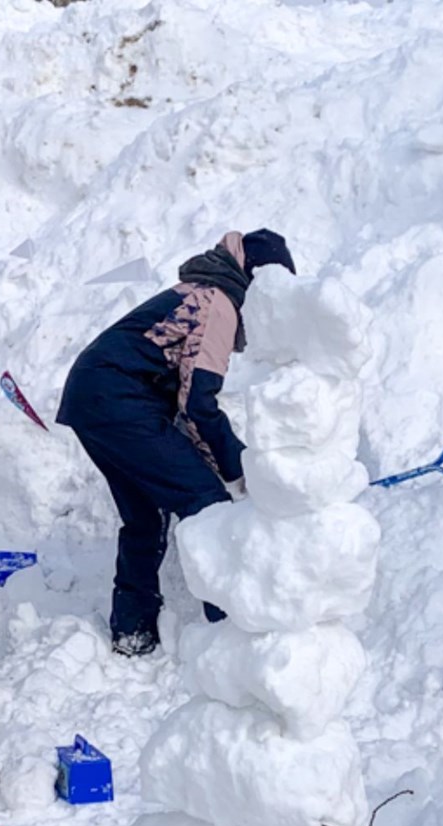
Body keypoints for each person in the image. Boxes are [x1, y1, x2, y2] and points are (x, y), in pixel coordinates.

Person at [56, 230, 295, 657]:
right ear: (257, 281)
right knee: (207, 504)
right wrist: (241, 471)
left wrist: (223, 464)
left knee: (145, 514)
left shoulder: (198, 291)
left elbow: (187, 406)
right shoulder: (219, 304)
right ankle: (229, 629)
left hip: (93, 396)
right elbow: (199, 403)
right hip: (120, 399)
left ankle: (133, 629)